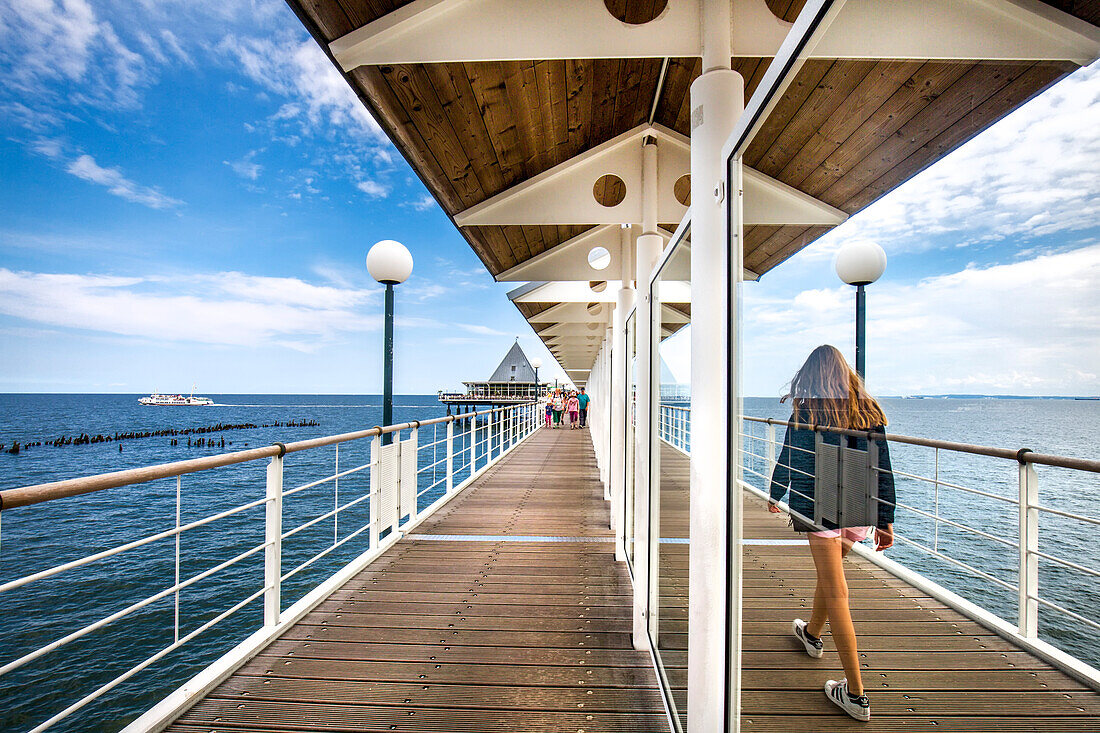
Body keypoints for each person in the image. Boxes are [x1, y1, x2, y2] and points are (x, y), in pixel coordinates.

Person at [766, 344, 895, 723]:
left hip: (821, 507)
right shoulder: (869, 412)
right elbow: (882, 466)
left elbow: (790, 456)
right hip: (857, 504)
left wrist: (777, 493)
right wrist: (885, 519)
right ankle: (811, 634)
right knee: (831, 576)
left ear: (811, 376)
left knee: (837, 591)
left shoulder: (807, 412)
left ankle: (856, 693)